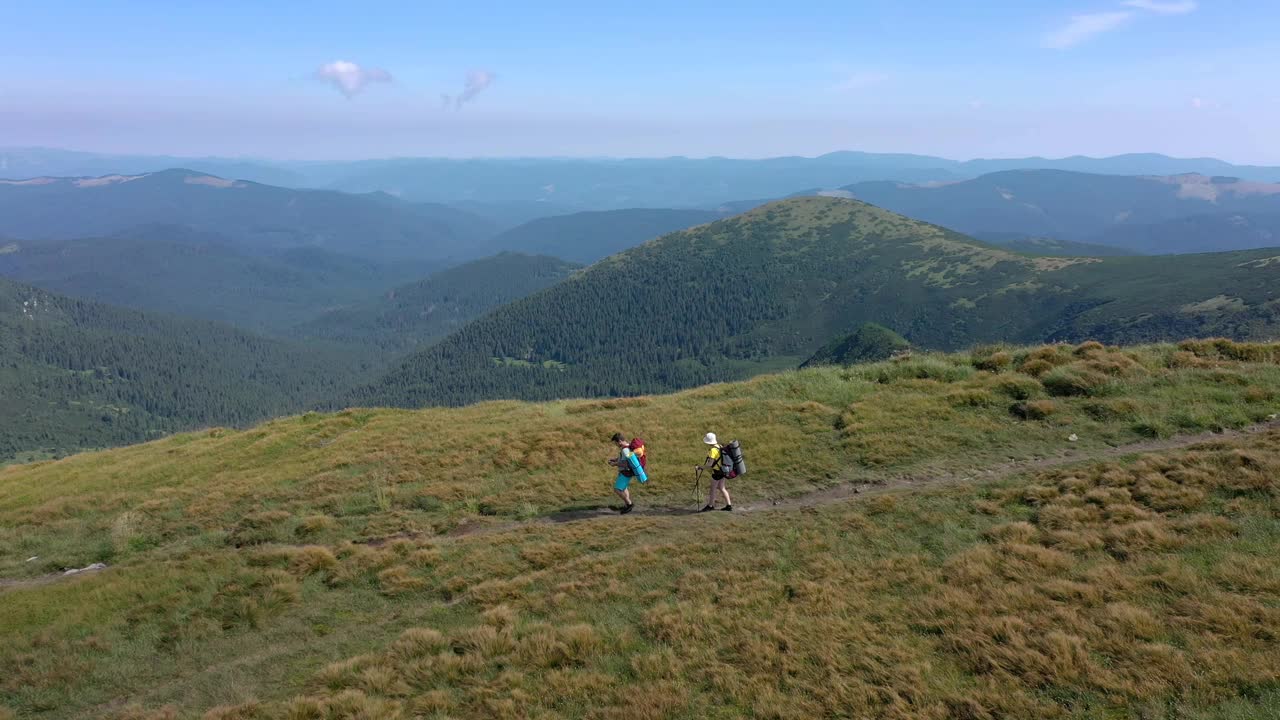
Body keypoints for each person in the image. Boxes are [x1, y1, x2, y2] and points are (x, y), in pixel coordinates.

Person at [608, 432, 647, 514]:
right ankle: (627, 504)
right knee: (624, 488)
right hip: (627, 472)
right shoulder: (628, 447)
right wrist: (615, 459)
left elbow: (626, 463)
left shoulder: (625, 450)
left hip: (626, 472)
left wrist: (614, 464)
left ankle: (629, 504)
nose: (616, 445)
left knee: (617, 489)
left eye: (616, 443)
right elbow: (624, 458)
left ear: (619, 441)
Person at [695, 432, 733, 512]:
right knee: (722, 487)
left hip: (717, 472)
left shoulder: (713, 450)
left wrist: (700, 467)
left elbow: (709, 465)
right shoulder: (720, 446)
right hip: (723, 470)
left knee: (713, 488)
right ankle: (729, 505)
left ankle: (710, 505)